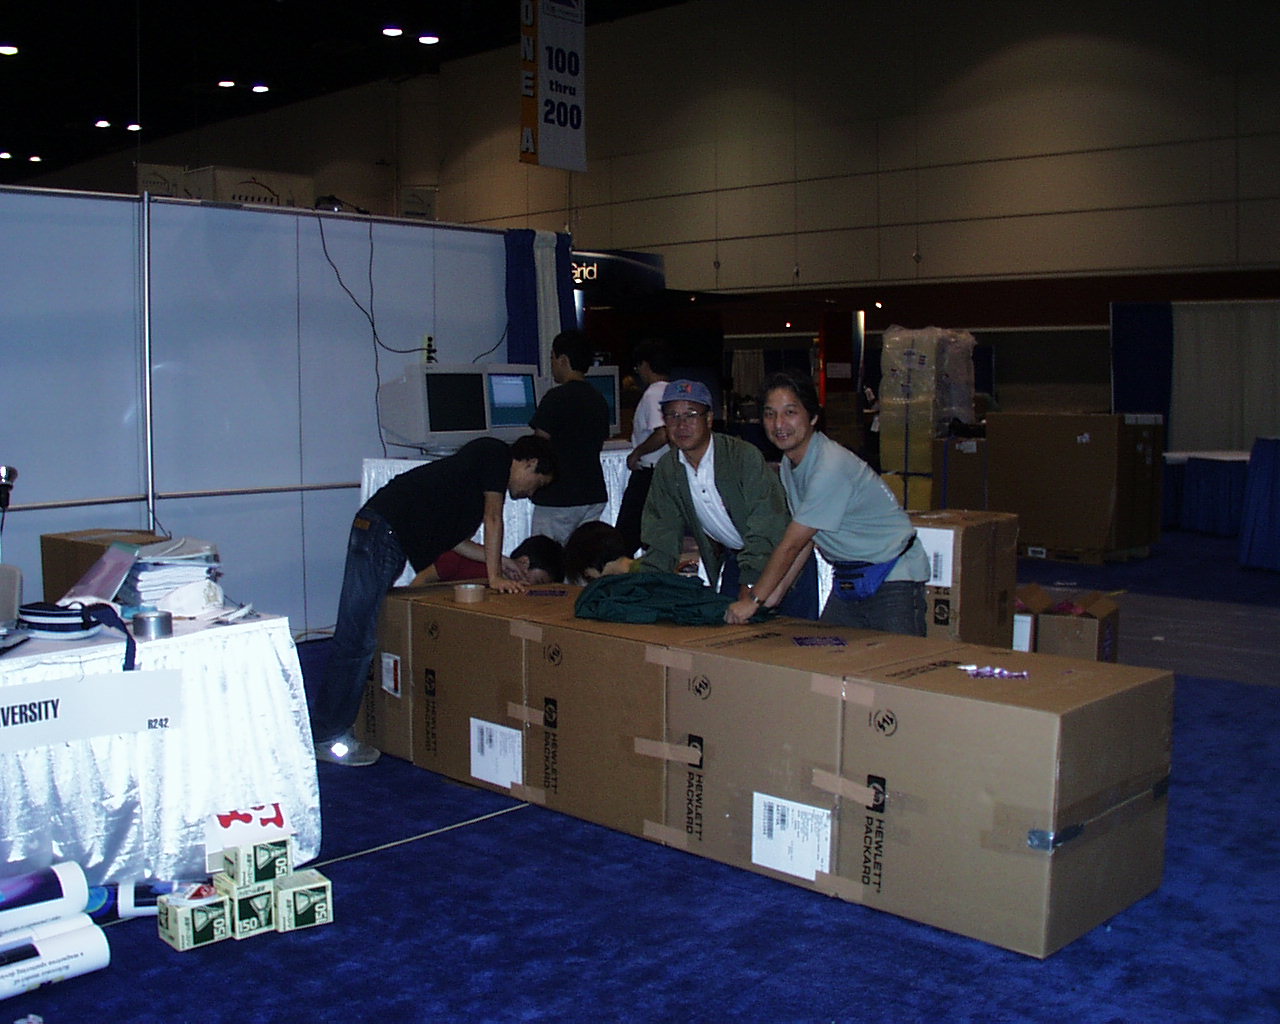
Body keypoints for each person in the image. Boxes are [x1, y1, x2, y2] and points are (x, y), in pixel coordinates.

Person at [311, 434, 556, 766]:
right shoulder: (495, 454)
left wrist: (503, 563)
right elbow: (494, 518)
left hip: (381, 533)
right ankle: (327, 734)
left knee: (358, 635)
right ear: (530, 463)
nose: (530, 493)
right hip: (382, 533)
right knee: (357, 638)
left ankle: (328, 727)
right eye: (537, 483)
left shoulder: (467, 484)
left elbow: (456, 543)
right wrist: (495, 577)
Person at [723, 369, 928, 634]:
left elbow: (791, 544)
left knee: (896, 660)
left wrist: (754, 599)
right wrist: (775, 594)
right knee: (827, 651)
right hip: (848, 579)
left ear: (813, 417)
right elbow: (808, 538)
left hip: (892, 577)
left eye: (790, 412)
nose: (778, 424)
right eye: (770, 414)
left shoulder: (829, 466)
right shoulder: (790, 465)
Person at [637, 379, 818, 617]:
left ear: (709, 419)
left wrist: (750, 585)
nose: (681, 425)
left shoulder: (742, 457)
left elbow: (766, 525)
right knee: (729, 632)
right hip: (738, 559)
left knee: (794, 636)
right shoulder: (668, 469)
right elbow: (662, 533)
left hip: (782, 559)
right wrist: (648, 587)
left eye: (691, 415)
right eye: (673, 416)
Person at [528, 329, 611, 545]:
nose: (552, 364)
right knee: (582, 556)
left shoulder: (555, 398)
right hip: (592, 492)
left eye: (552, 358)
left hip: (559, 495)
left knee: (546, 556)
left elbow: (539, 444)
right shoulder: (598, 399)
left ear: (563, 360)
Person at [614, 338, 671, 553]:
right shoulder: (673, 391)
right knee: (656, 538)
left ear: (645, 365)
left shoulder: (654, 393)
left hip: (649, 474)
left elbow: (662, 433)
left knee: (625, 538)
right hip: (666, 473)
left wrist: (637, 453)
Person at [417, 534, 564, 585]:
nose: (532, 587)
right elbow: (420, 582)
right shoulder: (464, 558)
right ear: (524, 562)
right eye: (537, 582)